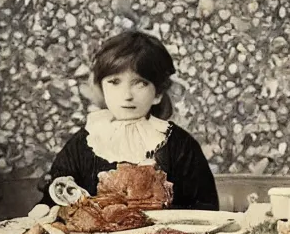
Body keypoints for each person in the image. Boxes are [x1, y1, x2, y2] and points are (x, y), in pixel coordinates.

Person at [39, 30, 219, 211]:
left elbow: (206, 209)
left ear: (158, 93)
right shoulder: (85, 143)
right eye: (115, 82)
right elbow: (52, 201)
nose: (127, 96)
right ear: (102, 87)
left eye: (140, 83)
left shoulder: (180, 145)